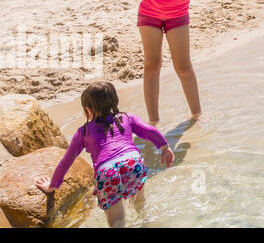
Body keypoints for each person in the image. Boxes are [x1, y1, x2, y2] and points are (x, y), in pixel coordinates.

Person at [33, 81, 174, 228]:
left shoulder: (83, 132)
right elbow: (149, 130)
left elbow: (66, 161)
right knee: (140, 204)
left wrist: (52, 185)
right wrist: (165, 147)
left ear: (88, 110)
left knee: (117, 221)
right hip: (132, 162)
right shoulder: (127, 118)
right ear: (115, 101)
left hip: (107, 171)